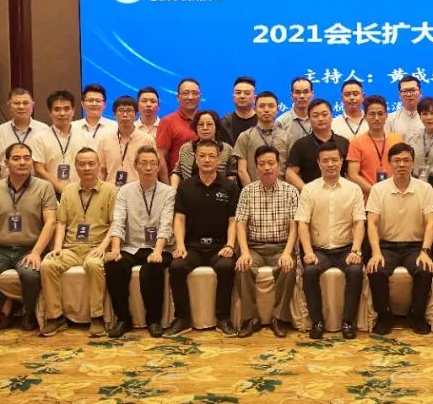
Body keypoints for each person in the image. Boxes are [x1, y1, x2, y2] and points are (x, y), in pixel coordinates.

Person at [0, 142, 56, 331]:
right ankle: (5, 308)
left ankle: (28, 313)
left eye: (27, 158)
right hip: (1, 250)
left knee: (30, 274)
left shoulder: (44, 187)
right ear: (6, 163)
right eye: (16, 158)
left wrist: (36, 252)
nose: (22, 162)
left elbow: (50, 222)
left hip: (30, 248)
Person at [164, 140, 240, 337]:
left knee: (226, 267)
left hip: (219, 246)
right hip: (193, 246)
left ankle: (223, 318)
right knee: (177, 267)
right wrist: (180, 245)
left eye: (211, 156)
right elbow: (179, 219)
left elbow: (233, 220)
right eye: (202, 156)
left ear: (218, 160)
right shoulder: (185, 186)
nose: (207, 160)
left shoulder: (230, 187)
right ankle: (183, 318)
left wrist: (230, 245)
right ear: (196, 159)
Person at [39, 147, 118, 337]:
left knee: (93, 265)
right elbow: (61, 222)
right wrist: (57, 247)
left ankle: (97, 317)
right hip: (71, 249)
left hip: (96, 247)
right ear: (75, 167)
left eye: (91, 163)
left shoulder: (110, 190)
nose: (87, 168)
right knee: (48, 264)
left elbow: (115, 223)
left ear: (98, 166)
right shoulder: (68, 190)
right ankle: (55, 317)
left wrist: (103, 247)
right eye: (82, 164)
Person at [365, 143, 433, 335]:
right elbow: (371, 223)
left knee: (424, 270)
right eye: (397, 161)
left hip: (415, 246)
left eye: (406, 160)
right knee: (376, 270)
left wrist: (425, 251)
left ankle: (416, 314)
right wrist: (376, 253)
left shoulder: (425, 188)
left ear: (413, 163)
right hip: (387, 246)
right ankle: (384, 315)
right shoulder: (378, 189)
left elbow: (431, 222)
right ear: (389, 163)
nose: (402, 165)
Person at [296, 141, 366, 339]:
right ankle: (317, 321)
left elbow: (359, 223)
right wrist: (308, 252)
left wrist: (356, 250)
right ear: (319, 163)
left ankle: (348, 322)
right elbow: (302, 223)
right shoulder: (309, 189)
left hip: (346, 249)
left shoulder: (353, 189)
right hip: (319, 250)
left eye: (334, 160)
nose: (330, 164)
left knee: (355, 271)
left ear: (342, 161)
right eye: (325, 161)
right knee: (310, 271)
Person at [104, 146, 175, 338]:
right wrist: (115, 249)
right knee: (113, 266)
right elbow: (118, 221)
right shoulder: (125, 191)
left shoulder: (168, 192)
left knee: (153, 268)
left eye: (153, 163)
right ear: (136, 166)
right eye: (143, 163)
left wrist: (157, 252)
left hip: (159, 247)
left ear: (158, 166)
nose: (148, 168)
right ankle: (123, 319)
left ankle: (153, 320)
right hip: (132, 246)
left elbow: (166, 224)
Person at [235, 146, 300, 338]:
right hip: (254, 247)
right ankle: (250, 318)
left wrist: (287, 253)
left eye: (271, 163)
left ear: (278, 165)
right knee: (242, 267)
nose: (267, 168)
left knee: (288, 267)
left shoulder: (291, 191)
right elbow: (240, 224)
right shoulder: (247, 191)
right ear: (256, 167)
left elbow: (294, 226)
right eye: (262, 164)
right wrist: (244, 252)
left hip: (281, 246)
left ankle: (279, 318)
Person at [31, 90, 100, 196]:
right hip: (50, 194)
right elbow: (39, 169)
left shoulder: (86, 136)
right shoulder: (39, 138)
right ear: (49, 112)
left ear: (73, 111)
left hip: (81, 193)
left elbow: (93, 165)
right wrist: (63, 190)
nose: (62, 113)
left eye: (67, 109)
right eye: (57, 109)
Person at [347, 95, 405, 199]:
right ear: (365, 117)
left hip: (395, 197)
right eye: (372, 114)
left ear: (386, 116)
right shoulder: (356, 143)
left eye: (380, 114)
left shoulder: (397, 140)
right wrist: (375, 192)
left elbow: (404, 169)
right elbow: (353, 175)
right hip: (368, 199)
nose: (377, 118)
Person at [285, 98, 349, 189]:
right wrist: (307, 191)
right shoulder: (301, 144)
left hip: (340, 192)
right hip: (312, 194)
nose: (320, 119)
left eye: (324, 114)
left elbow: (351, 172)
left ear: (332, 116)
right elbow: (290, 173)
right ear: (309, 119)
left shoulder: (343, 142)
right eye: (315, 116)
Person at [0, 88, 49, 181]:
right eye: (16, 103)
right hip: (5, 185)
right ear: (9, 105)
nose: (21, 107)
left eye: (25, 103)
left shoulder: (44, 130)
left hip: (36, 186)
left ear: (33, 105)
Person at [98, 95, 155, 187]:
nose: (125, 115)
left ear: (136, 114)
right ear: (114, 114)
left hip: (138, 191)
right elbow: (102, 171)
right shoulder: (105, 140)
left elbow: (153, 170)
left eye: (129, 110)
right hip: (111, 191)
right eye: (121, 110)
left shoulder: (147, 140)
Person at [234, 91, 289, 186]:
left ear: (278, 109)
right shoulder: (245, 136)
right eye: (262, 106)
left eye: (271, 106)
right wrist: (251, 192)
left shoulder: (287, 137)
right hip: (254, 191)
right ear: (255, 109)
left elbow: (290, 170)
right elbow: (242, 171)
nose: (266, 110)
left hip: (282, 191)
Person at [171, 110, 236, 187]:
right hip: (189, 191)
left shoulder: (226, 149)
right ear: (196, 128)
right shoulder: (186, 148)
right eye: (201, 124)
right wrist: (174, 190)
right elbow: (177, 172)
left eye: (209, 124)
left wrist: (225, 190)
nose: (205, 128)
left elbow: (232, 174)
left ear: (216, 127)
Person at [155, 77, 201, 177]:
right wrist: (167, 183)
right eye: (186, 93)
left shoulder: (205, 120)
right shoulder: (167, 122)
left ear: (200, 97)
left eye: (195, 93)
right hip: (177, 181)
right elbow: (160, 156)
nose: (190, 97)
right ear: (178, 97)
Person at [276, 77, 314, 155]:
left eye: (306, 92)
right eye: (298, 92)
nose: (302, 96)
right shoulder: (281, 122)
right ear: (291, 95)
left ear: (312, 94)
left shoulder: (320, 119)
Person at [221, 77, 257, 145]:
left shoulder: (262, 121)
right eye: (238, 93)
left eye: (247, 93)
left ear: (255, 98)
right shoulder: (224, 122)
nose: (242, 96)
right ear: (233, 96)